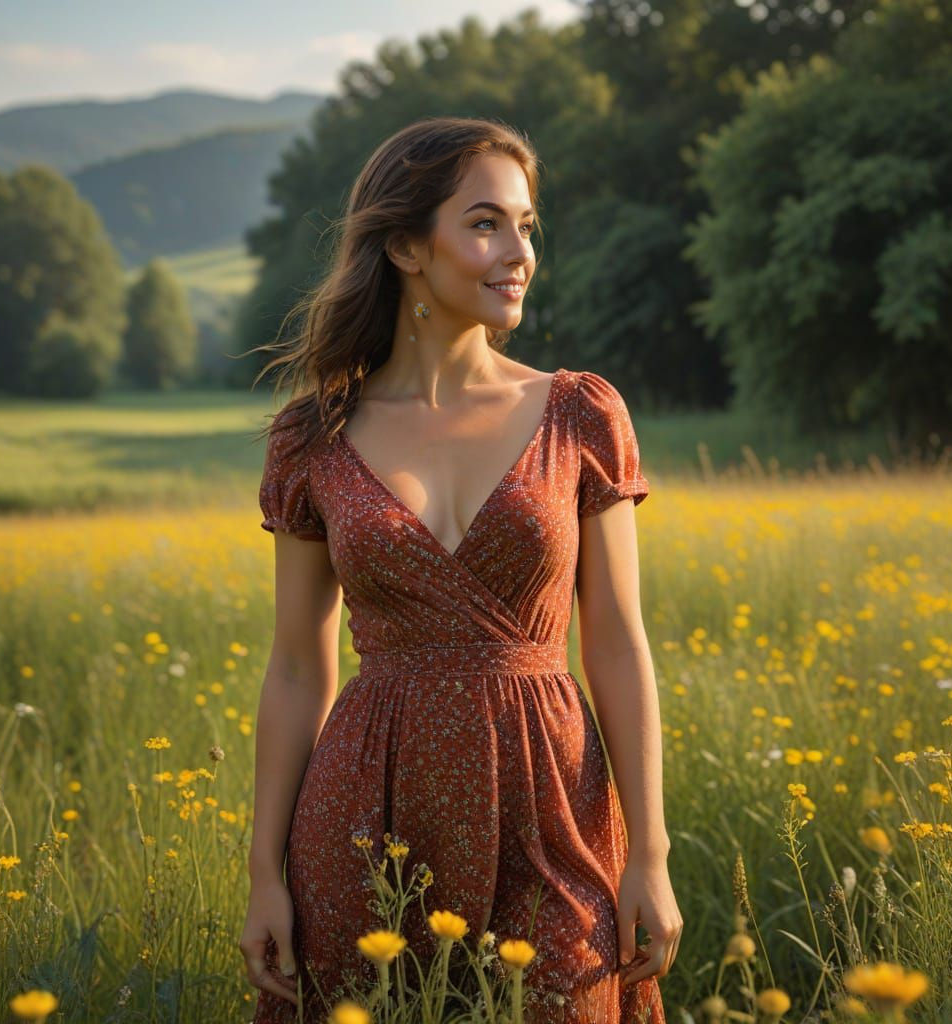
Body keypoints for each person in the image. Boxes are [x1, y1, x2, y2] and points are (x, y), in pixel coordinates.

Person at [240, 115, 682, 1024]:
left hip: (552, 801)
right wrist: (263, 875)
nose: (519, 251)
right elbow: (294, 668)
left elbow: (620, 645)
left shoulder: (579, 415)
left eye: (527, 226)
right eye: (486, 223)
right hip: (366, 811)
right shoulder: (312, 438)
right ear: (406, 245)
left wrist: (650, 856)